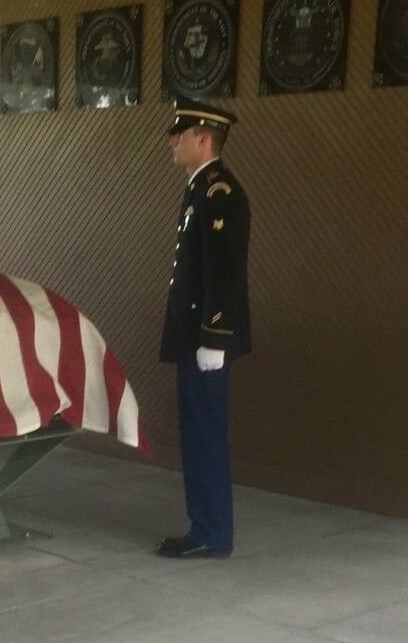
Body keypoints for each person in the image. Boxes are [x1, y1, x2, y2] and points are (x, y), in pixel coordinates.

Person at [156, 97, 251, 559]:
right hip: (193, 337)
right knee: (196, 432)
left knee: (206, 433)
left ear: (203, 137)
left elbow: (223, 274)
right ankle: (205, 527)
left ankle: (212, 533)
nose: (173, 140)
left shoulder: (219, 192)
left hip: (206, 341)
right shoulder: (199, 189)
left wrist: (215, 339)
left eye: (181, 132)